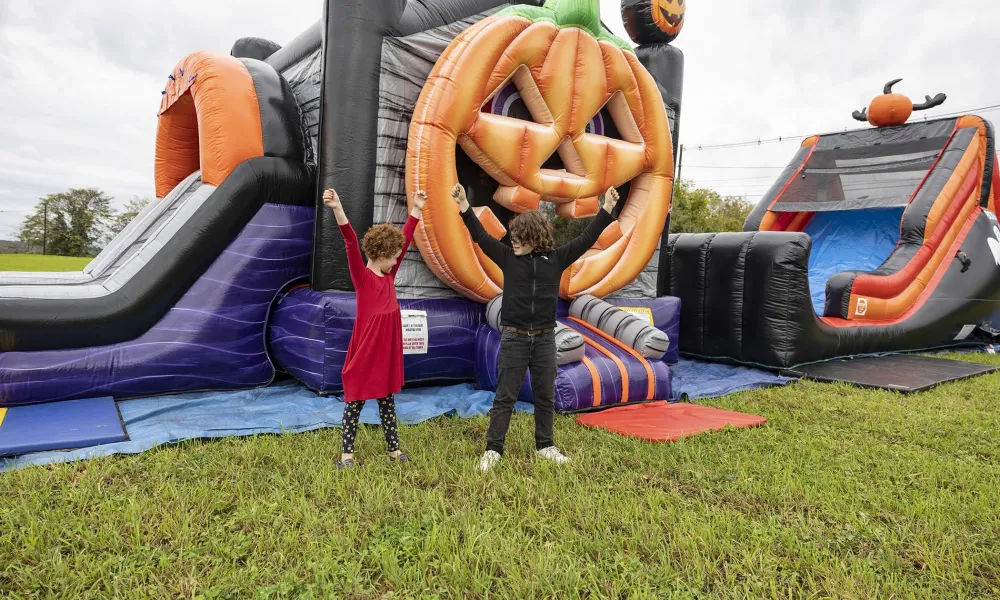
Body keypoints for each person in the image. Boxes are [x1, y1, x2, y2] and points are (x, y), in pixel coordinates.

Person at [451, 183, 620, 471]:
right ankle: (493, 449)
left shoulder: (555, 260)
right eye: (513, 237)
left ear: (533, 237)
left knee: (545, 395)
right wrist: (464, 206)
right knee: (505, 396)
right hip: (514, 339)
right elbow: (480, 236)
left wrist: (606, 210)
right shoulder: (507, 258)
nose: (513, 241)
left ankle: (545, 445)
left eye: (518, 237)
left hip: (544, 340)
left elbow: (585, 237)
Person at [323, 187, 426, 469]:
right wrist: (337, 208)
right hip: (366, 354)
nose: (397, 262)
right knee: (354, 403)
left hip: (386, 354)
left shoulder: (389, 276)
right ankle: (346, 455)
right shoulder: (363, 279)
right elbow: (350, 242)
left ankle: (393, 450)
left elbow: (403, 242)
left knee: (387, 402)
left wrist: (416, 210)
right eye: (392, 257)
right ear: (380, 254)